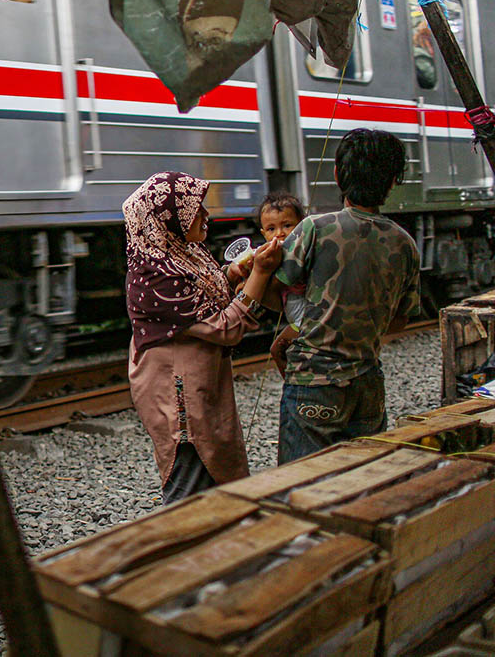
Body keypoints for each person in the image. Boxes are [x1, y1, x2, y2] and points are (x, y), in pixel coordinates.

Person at [123, 172, 282, 505]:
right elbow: (225, 328)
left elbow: (200, 293)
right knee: (190, 481)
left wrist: (231, 275)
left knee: (214, 472)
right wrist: (261, 274)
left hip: (200, 386)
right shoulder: (156, 275)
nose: (206, 215)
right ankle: (181, 554)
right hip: (178, 397)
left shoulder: (180, 253)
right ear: (168, 218)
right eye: (196, 209)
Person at [272, 129, 421, 464]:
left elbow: (276, 291)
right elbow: (399, 321)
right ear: (393, 181)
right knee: (363, 480)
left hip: (315, 381)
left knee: (304, 483)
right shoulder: (405, 243)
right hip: (368, 383)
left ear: (338, 174)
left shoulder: (315, 228)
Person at [257, 192, 308, 375]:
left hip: (307, 316)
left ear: (303, 225)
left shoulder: (298, 251)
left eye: (287, 225)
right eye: (271, 229)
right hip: (294, 313)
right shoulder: (275, 252)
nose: (280, 233)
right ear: (263, 233)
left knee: (278, 349)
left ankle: (292, 381)